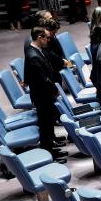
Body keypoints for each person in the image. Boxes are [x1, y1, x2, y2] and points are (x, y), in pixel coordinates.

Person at [25, 27, 66, 160]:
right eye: (46, 38)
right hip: (42, 96)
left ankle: (51, 150)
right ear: (39, 38)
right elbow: (43, 79)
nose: (48, 40)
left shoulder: (35, 50)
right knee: (45, 126)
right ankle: (48, 154)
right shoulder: (33, 55)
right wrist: (55, 88)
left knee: (48, 124)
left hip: (44, 95)